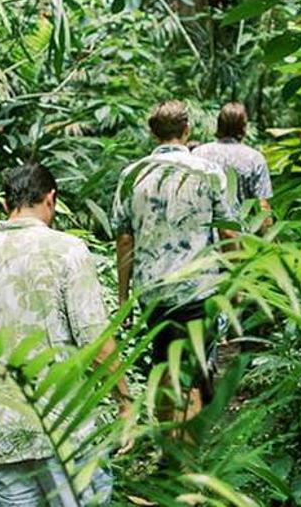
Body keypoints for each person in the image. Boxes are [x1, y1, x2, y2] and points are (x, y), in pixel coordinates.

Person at [0, 162, 129, 507]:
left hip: (3, 431)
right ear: (51, 199)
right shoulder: (68, 251)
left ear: (6, 205)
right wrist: (125, 402)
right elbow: (94, 339)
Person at [113, 100, 238, 423]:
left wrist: (123, 297)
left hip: (153, 292)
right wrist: (236, 280)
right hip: (198, 288)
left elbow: (125, 239)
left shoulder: (132, 175)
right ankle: (182, 457)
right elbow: (226, 231)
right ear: (187, 130)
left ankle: (170, 445)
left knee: (166, 365)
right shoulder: (209, 172)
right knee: (191, 375)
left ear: (153, 134)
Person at [189, 102, 272, 226]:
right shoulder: (254, 158)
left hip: (203, 233)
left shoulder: (198, 154)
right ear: (244, 127)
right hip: (239, 234)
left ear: (219, 125)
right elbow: (262, 207)